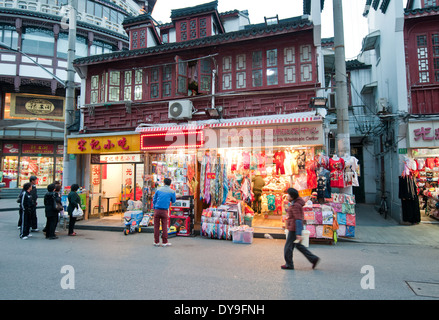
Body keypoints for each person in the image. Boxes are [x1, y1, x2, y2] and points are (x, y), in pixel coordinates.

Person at [282, 188, 320, 270]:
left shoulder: (296, 205)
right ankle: (313, 259)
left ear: (292, 196)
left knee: (288, 247)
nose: (287, 196)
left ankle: (289, 264)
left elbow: (298, 219)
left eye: (288, 194)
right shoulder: (295, 203)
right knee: (298, 246)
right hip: (294, 228)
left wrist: (298, 233)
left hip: (294, 229)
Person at [152, 178, 176, 247]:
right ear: (170, 184)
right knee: (164, 226)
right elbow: (173, 200)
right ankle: (164, 242)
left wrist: (154, 206)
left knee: (156, 226)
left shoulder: (158, 189)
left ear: (164, 183)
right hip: (165, 211)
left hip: (157, 210)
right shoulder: (172, 191)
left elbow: (154, 199)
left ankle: (156, 242)